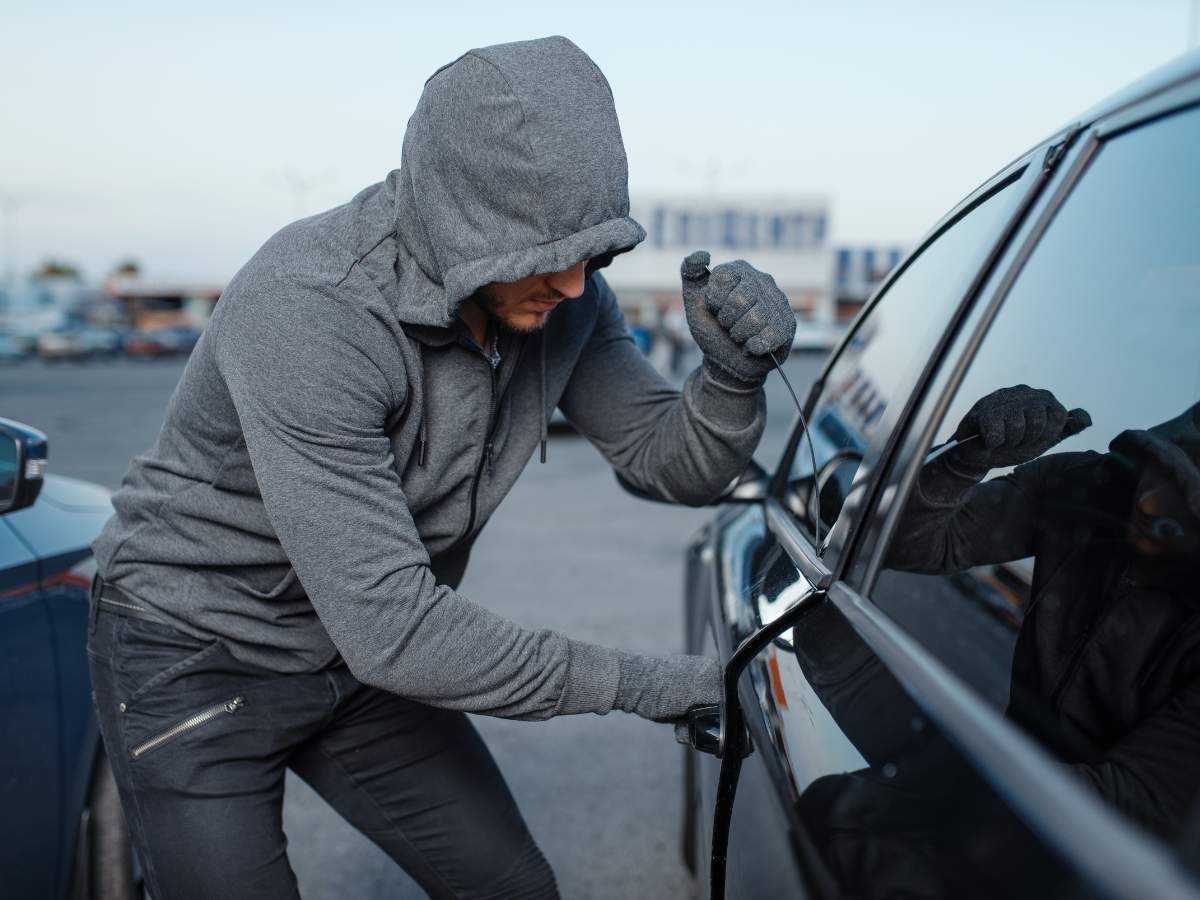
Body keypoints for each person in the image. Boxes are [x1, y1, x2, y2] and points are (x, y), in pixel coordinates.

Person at [85, 35, 796, 899]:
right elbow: (398, 629)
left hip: (358, 656)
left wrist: (728, 380)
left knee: (513, 890)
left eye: (590, 252)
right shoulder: (311, 309)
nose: (573, 285)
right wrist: (653, 685)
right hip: (196, 647)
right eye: (544, 253)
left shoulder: (561, 299)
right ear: (465, 219)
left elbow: (670, 465)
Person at [887, 386, 1200, 836]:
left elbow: (1131, 805)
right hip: (990, 804)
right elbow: (909, 544)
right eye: (1163, 469)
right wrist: (964, 458)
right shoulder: (1088, 488)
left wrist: (951, 779)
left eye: (1187, 502)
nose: (1151, 502)